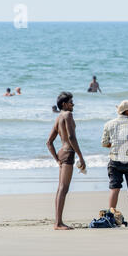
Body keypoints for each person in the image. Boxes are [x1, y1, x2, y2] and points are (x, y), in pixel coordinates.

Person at [46, 92, 86, 230]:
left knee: (60, 189)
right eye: (71, 102)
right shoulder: (68, 115)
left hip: (62, 153)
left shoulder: (58, 118)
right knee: (64, 188)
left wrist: (57, 159)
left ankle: (58, 221)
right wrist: (80, 156)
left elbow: (49, 142)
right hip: (68, 153)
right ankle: (58, 223)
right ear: (64, 104)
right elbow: (71, 137)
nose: (73, 104)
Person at [101, 100, 128, 225]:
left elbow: (104, 143)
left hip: (114, 160)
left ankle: (110, 217)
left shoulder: (109, 124)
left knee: (114, 188)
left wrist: (116, 146)